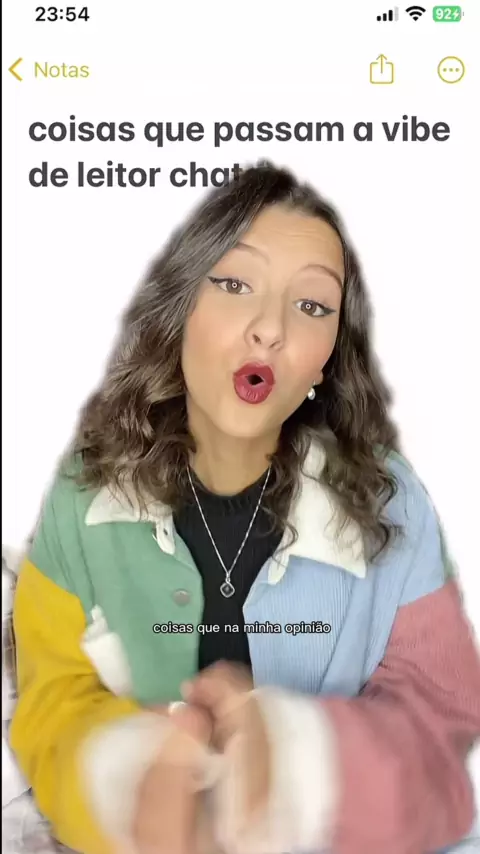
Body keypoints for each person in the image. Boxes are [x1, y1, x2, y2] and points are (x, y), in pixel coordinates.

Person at [10, 161, 480, 854]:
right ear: (181, 310)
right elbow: (51, 701)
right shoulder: (84, 491)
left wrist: (297, 769)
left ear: (325, 360)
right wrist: (135, 780)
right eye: (234, 285)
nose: (269, 330)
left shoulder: (391, 497)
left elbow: (439, 722)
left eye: (312, 305)